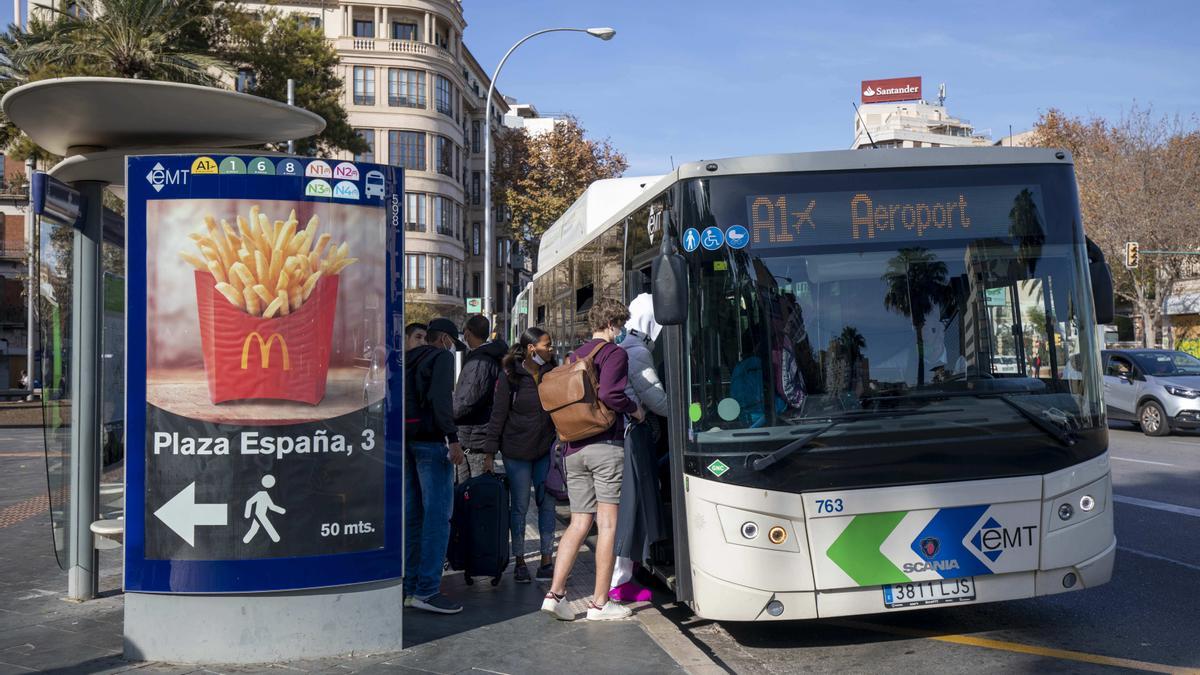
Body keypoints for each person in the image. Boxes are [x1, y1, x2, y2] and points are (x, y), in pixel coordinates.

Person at [542, 298, 644, 622]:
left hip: (573, 448)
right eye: (621, 324)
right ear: (614, 324)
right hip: (603, 446)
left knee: (578, 522)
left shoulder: (575, 354)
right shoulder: (615, 353)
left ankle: (555, 594)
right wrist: (634, 409)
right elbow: (610, 395)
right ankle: (600, 603)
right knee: (608, 523)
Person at [484, 327, 558, 584]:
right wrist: (489, 453)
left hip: (544, 450)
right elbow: (498, 415)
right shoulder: (510, 375)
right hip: (516, 451)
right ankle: (520, 561)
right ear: (531, 348)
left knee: (547, 503)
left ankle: (547, 561)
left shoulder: (552, 372)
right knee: (520, 507)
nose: (551, 349)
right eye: (547, 345)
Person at [404, 317, 466, 614]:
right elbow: (441, 400)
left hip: (406, 443)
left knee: (414, 517)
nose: (452, 348)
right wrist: (452, 439)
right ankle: (427, 590)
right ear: (444, 339)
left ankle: (410, 587)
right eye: (452, 343)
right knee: (438, 518)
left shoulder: (407, 358)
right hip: (431, 442)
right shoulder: (440, 358)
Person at [612, 294, 670, 602]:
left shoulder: (627, 348)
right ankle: (619, 581)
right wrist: (688, 412)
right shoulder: (637, 353)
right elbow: (656, 400)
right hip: (636, 436)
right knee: (632, 508)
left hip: (630, 436)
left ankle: (625, 577)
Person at [452, 315, 508, 482]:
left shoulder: (480, 360)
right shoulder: (486, 356)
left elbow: (469, 399)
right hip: (475, 436)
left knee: (472, 491)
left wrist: (445, 416)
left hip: (475, 438)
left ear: (468, 333)